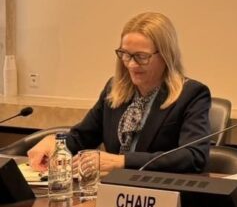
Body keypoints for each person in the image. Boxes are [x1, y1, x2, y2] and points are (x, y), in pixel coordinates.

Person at [28, 12, 211, 174]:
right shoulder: (114, 89)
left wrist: (122, 162)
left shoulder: (191, 94)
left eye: (141, 57)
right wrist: (55, 143)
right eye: (125, 54)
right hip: (112, 191)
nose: (131, 64)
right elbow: (82, 137)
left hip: (158, 193)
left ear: (165, 55)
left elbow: (193, 156)